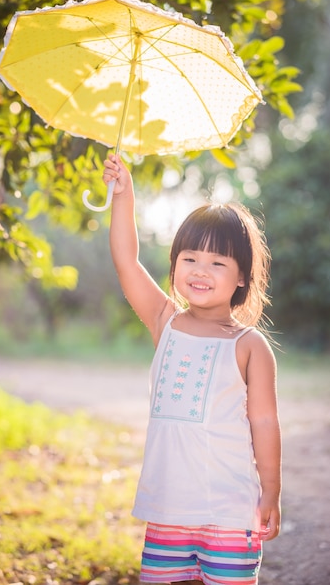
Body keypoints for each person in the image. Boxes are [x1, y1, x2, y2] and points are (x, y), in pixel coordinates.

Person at [102, 154, 282, 585]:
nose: (201, 271)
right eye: (190, 258)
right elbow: (127, 260)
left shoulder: (250, 346)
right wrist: (123, 193)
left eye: (218, 263)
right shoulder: (165, 321)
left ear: (242, 277)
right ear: (175, 264)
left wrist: (272, 491)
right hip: (168, 510)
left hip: (229, 511)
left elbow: (264, 422)